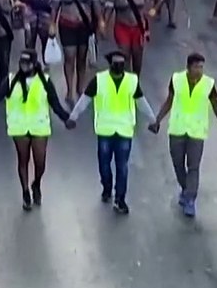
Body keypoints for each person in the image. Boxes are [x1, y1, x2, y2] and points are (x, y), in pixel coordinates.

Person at [0, 50, 72, 209]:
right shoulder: (11, 81)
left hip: (39, 125)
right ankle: (25, 191)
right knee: (23, 159)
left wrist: (66, 118)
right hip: (19, 126)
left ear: (34, 64)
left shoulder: (45, 81)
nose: (24, 66)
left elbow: (55, 104)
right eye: (22, 63)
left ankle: (36, 183)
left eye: (27, 63)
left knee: (40, 162)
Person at [67, 50, 159, 215]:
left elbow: (141, 102)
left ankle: (120, 198)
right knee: (104, 164)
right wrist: (73, 116)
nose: (119, 66)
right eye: (116, 63)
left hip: (124, 130)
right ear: (110, 64)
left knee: (122, 166)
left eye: (122, 63)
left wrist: (153, 119)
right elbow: (85, 100)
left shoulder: (132, 81)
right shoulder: (99, 80)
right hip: (105, 129)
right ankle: (107, 187)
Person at [149, 53, 217, 217]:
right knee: (178, 164)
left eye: (201, 67)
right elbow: (169, 101)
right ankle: (186, 188)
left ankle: (190, 199)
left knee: (193, 167)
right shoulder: (176, 80)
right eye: (196, 67)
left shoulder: (209, 84)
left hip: (196, 131)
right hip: (177, 128)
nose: (200, 70)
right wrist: (157, 120)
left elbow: (216, 106)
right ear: (188, 67)